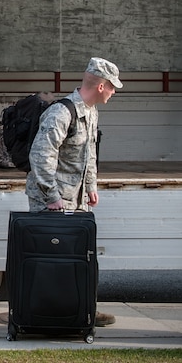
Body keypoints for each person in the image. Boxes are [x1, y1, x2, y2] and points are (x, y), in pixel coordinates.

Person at [26, 57, 122, 328]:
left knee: (81, 257)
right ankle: (48, 312)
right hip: (54, 201)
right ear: (101, 86)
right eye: (113, 87)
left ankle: (83, 309)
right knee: (52, 261)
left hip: (76, 199)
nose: (115, 92)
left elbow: (89, 153)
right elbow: (41, 157)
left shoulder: (90, 111)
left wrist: (91, 186)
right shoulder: (61, 113)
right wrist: (51, 197)